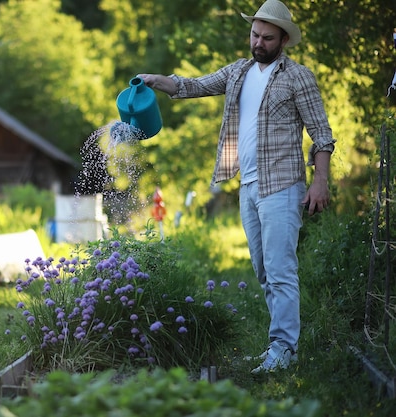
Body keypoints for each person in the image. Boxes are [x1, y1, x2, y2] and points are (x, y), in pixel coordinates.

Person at [138, 0, 336, 374]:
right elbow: (192, 85)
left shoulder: (298, 78)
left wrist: (320, 181)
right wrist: (154, 80)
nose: (258, 42)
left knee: (280, 269)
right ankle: (279, 348)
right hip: (248, 186)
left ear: (283, 41)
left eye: (267, 38)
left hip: (282, 184)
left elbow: (322, 134)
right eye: (255, 34)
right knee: (262, 270)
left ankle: (284, 348)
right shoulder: (238, 72)